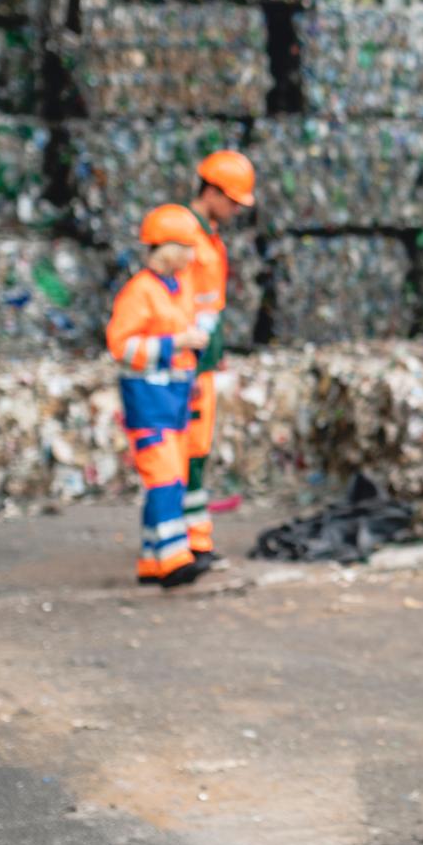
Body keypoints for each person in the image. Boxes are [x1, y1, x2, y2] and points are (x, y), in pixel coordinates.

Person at [105, 204, 211, 589]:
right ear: (165, 247)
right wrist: (175, 343)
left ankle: (153, 559)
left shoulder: (179, 289)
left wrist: (190, 356)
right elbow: (121, 347)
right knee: (164, 477)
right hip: (148, 401)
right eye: (184, 247)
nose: (190, 256)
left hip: (176, 398)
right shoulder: (140, 292)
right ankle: (172, 560)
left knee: (173, 478)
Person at [179, 149, 256, 564]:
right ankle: (188, 542)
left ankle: (193, 536)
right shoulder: (184, 235)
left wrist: (218, 351)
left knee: (200, 447)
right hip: (187, 360)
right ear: (211, 191)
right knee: (188, 451)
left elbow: (213, 305)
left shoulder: (206, 234)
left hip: (204, 359)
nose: (234, 210)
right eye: (231, 201)